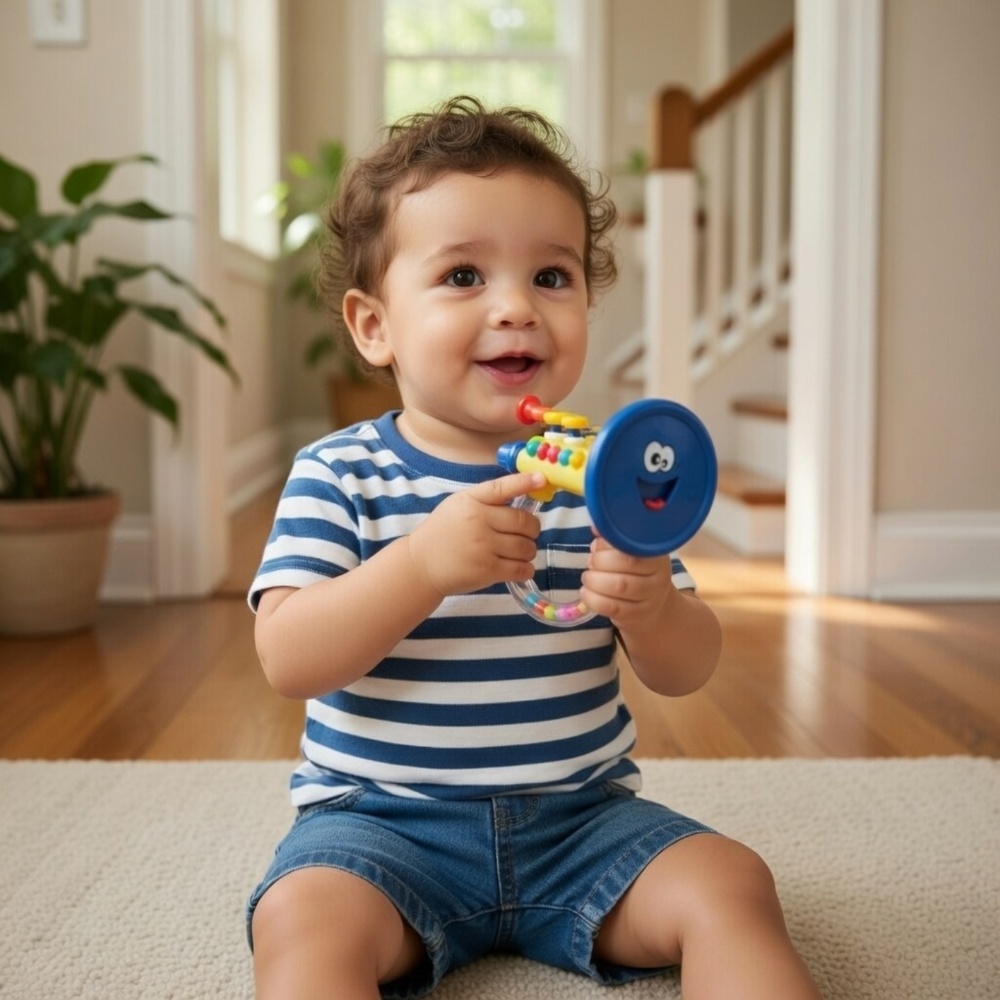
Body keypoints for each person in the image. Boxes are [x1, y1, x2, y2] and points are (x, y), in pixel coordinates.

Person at [246, 95, 821, 1000]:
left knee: (731, 882)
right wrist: (421, 565)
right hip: (383, 830)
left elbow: (686, 670)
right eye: (463, 276)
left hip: (581, 824)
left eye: (551, 276)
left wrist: (653, 607)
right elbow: (288, 658)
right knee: (301, 921)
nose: (516, 307)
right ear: (374, 326)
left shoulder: (608, 475)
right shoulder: (341, 472)